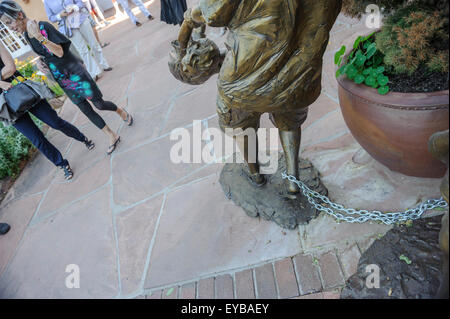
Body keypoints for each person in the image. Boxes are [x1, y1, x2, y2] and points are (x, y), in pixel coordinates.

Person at [178, 0, 342, 195]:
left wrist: (187, 25)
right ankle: (293, 180)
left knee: (241, 127)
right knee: (289, 123)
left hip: (242, 79)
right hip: (295, 75)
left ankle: (256, 175)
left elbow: (211, 13)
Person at [0, 0, 133, 156]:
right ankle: (111, 135)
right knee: (86, 110)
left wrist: (40, 37)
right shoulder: (27, 36)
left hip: (75, 74)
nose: (10, 28)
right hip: (62, 79)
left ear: (20, 14)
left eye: (9, 23)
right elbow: (44, 54)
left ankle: (121, 111)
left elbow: (60, 53)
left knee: (99, 104)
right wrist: (41, 62)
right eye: (6, 26)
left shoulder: (43, 27)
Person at [0, 41, 95, 180]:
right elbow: (5, 70)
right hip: (6, 106)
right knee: (37, 139)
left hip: (21, 91)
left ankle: (82, 138)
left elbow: (10, 67)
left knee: (55, 122)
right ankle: (62, 164)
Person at [43, 0, 112, 80]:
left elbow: (80, 3)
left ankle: (104, 64)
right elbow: (51, 17)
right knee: (83, 50)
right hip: (69, 27)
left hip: (81, 19)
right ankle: (94, 72)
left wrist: (74, 7)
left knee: (94, 43)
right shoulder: (47, 2)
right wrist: (59, 15)